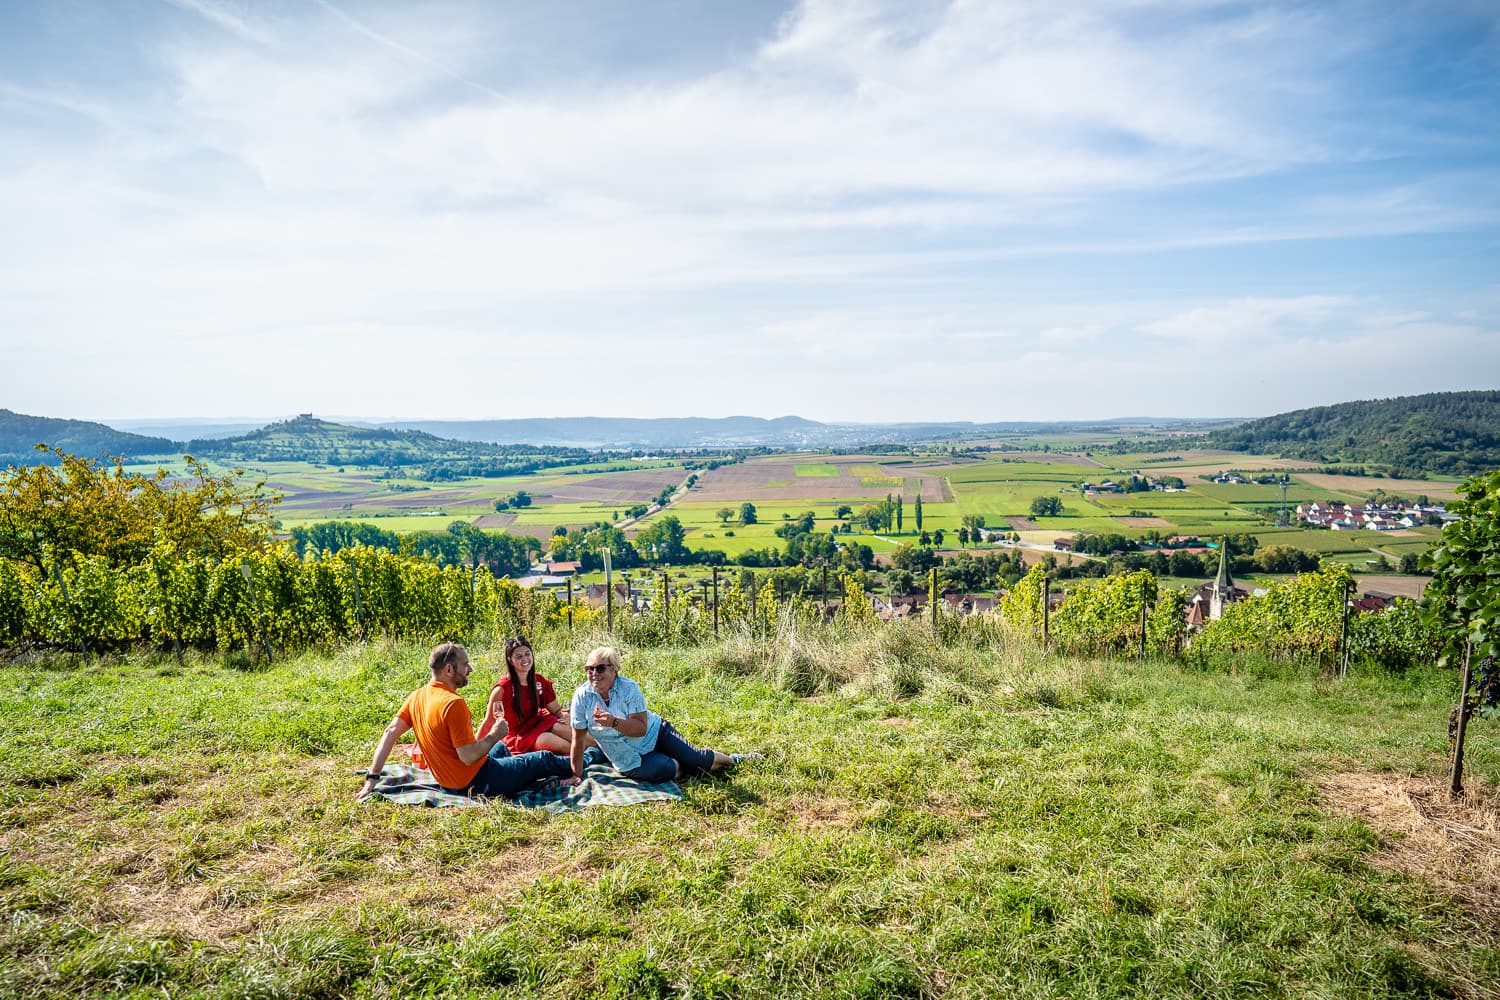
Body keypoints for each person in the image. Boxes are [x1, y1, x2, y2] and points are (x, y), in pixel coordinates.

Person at [358, 641, 576, 802]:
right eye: (465, 665)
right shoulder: (453, 704)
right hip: (476, 782)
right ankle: (590, 757)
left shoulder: (418, 695)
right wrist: (495, 733)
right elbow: (469, 755)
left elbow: (390, 732)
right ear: (449, 670)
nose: (470, 669)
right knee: (542, 759)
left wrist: (372, 778)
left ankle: (521, 781)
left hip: (447, 781)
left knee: (500, 748)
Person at [569, 646, 759, 782]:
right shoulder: (582, 696)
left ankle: (733, 759)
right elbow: (578, 739)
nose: (594, 673)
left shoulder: (629, 689)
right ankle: (682, 764)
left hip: (655, 733)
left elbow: (641, 729)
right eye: (589, 669)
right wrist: (576, 775)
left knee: (697, 760)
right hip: (627, 758)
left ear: (614, 670)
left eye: (600, 668)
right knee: (666, 769)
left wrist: (613, 722)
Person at [477, 636, 572, 754]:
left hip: (539, 722)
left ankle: (596, 749)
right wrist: (475, 749)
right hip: (519, 735)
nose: (525, 659)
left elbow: (556, 709)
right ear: (510, 660)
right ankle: (582, 757)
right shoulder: (502, 689)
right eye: (519, 656)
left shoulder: (538, 680)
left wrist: (564, 716)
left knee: (564, 728)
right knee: (548, 740)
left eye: (527, 654)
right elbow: (488, 722)